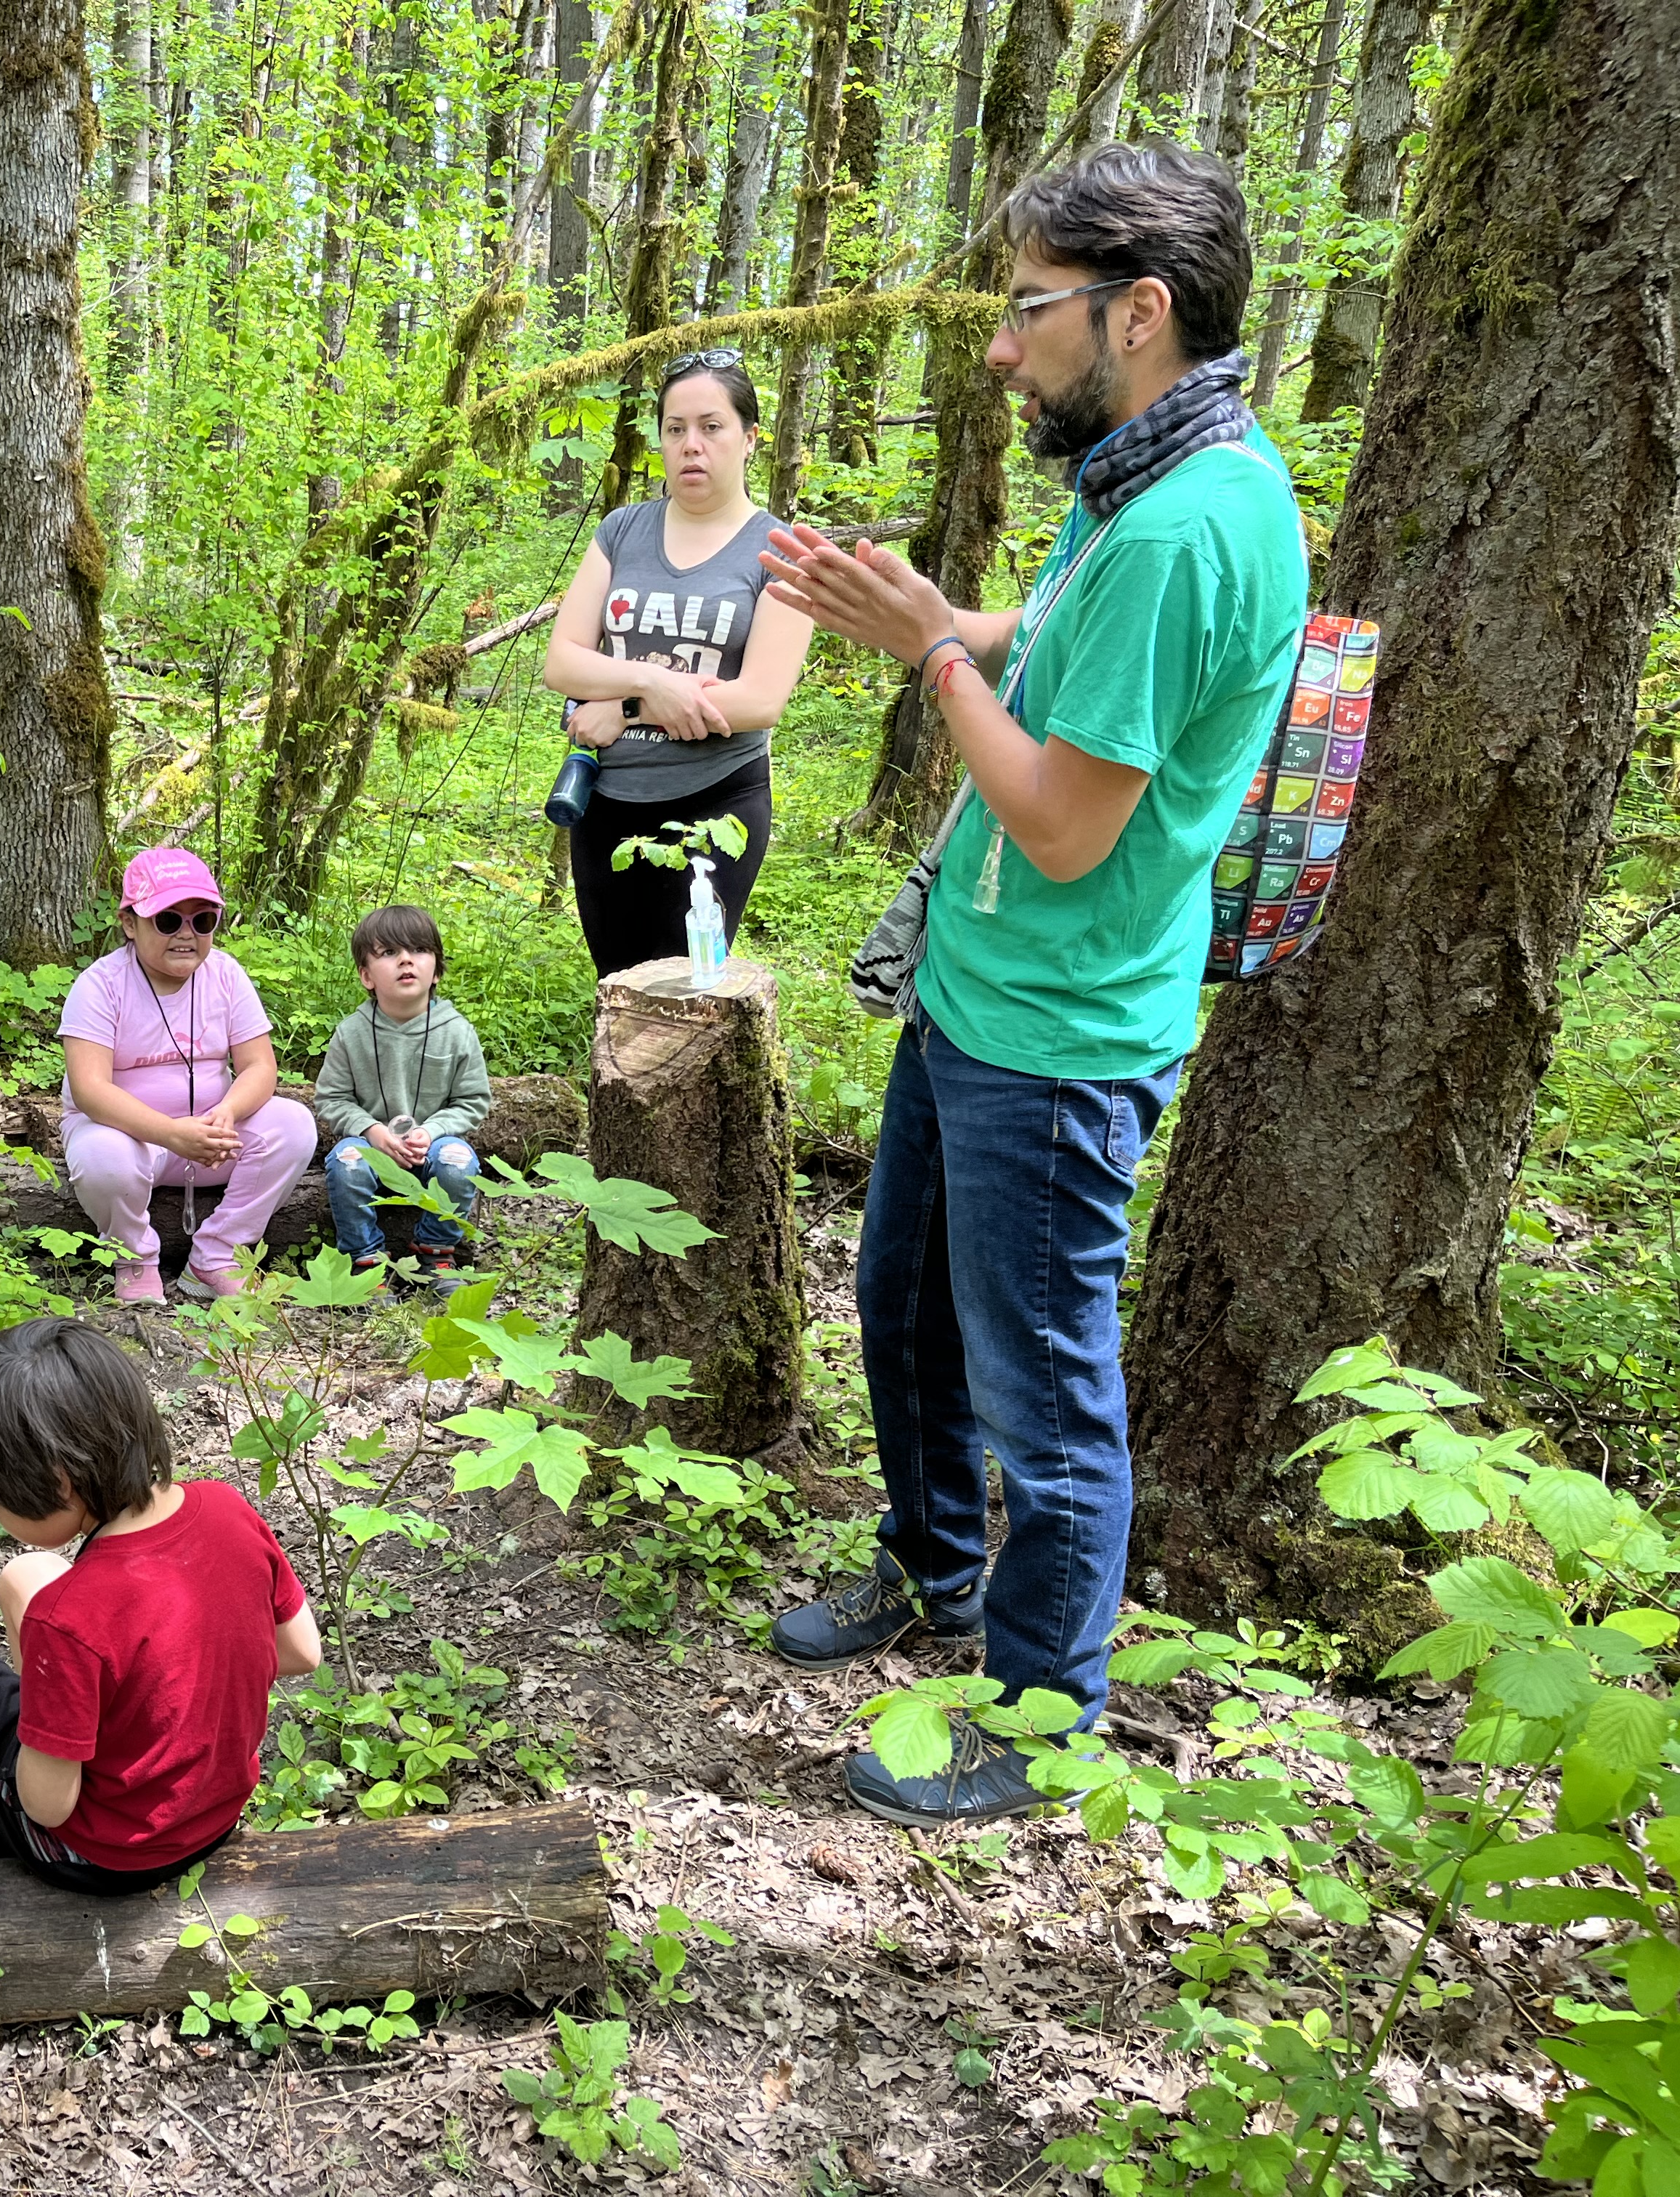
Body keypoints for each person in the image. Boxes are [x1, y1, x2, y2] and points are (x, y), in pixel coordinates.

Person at [756, 142, 1308, 1828]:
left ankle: (1044, 1710)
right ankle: (928, 1566)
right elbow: (1062, 645)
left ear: (1137, 313)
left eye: (1027, 309)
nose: (1000, 348)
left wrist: (923, 657)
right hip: (977, 989)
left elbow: (1067, 823)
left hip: (1061, 1038)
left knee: (1046, 1395)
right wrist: (948, 615)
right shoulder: (1138, 473)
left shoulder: (1190, 530)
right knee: (902, 1309)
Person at [0, 1319, 321, 1890]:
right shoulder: (226, 1508)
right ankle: (65, 1724)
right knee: (26, 1574)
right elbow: (301, 1650)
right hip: (213, 1813)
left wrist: (46, 1735)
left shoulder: (68, 1619)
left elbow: (49, 1806)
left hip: (102, 1855)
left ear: (59, 1483)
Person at [543, 350, 819, 976]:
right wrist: (645, 680)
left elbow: (760, 700)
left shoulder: (782, 552)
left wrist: (628, 704)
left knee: (692, 991)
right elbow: (562, 662)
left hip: (716, 802)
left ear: (749, 439)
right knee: (617, 985)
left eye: (712, 426)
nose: (692, 445)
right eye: (675, 429)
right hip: (605, 798)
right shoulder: (621, 532)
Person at [56, 846, 317, 1303]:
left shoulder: (226, 975)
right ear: (129, 923)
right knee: (104, 1157)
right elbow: (90, 1090)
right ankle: (133, 1258)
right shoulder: (100, 985)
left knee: (293, 1124)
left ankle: (218, 1255)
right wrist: (172, 1133)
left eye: (202, 921)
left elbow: (259, 1065)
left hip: (211, 1139)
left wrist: (228, 1113)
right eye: (168, 920)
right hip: (131, 1139)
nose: (186, 934)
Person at [314, 904, 493, 1291]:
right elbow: (332, 1098)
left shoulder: (457, 1032)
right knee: (345, 1161)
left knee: (459, 1160)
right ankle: (366, 1263)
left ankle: (435, 1253)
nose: (406, 960)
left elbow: (473, 1100)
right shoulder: (351, 1033)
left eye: (419, 950)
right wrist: (371, 1131)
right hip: (372, 1147)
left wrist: (433, 1131)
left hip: (431, 1146)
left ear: (437, 969)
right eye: (389, 953)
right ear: (366, 976)